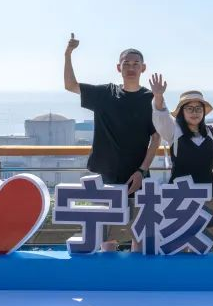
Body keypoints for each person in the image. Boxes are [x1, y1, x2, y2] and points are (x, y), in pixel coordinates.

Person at [64, 33, 160, 252]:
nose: (131, 67)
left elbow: (156, 137)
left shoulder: (150, 99)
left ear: (143, 68)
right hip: (106, 175)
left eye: (136, 64)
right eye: (126, 63)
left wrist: (142, 170)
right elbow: (70, 85)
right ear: (119, 67)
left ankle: (135, 274)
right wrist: (68, 53)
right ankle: (109, 274)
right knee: (108, 238)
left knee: (138, 234)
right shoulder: (104, 93)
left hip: (136, 177)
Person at [149, 75, 213, 243]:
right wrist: (158, 96)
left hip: (207, 194)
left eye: (198, 108)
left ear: (204, 112)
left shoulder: (212, 132)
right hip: (179, 197)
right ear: (182, 112)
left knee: (206, 242)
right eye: (189, 108)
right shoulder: (174, 131)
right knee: (178, 241)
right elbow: (161, 116)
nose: (194, 112)